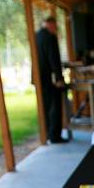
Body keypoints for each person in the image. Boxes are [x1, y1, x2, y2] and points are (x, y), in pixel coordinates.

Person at [35, 15, 66, 143]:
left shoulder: (37, 36)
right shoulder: (50, 37)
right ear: (51, 24)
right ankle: (54, 135)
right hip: (50, 79)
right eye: (55, 26)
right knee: (55, 107)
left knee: (45, 107)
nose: (56, 29)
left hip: (39, 78)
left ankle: (47, 132)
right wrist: (59, 78)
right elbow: (53, 59)